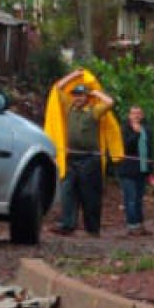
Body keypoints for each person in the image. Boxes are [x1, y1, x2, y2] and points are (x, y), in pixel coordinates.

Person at [42, 69, 124, 236]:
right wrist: (73, 75)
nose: (78, 98)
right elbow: (58, 89)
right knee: (68, 192)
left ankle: (92, 229)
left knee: (90, 196)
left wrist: (96, 92)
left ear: (87, 97)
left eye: (81, 95)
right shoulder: (68, 108)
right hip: (71, 158)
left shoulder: (94, 110)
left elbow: (110, 103)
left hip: (90, 159)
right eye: (75, 95)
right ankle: (67, 224)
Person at [118, 105, 154, 236]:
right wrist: (135, 133)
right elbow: (125, 146)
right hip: (128, 169)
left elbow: (149, 150)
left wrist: (150, 170)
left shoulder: (147, 129)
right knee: (131, 198)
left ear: (142, 116)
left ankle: (140, 224)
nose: (136, 116)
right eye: (133, 114)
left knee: (139, 199)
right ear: (129, 115)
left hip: (142, 169)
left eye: (139, 114)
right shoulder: (124, 129)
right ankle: (132, 225)